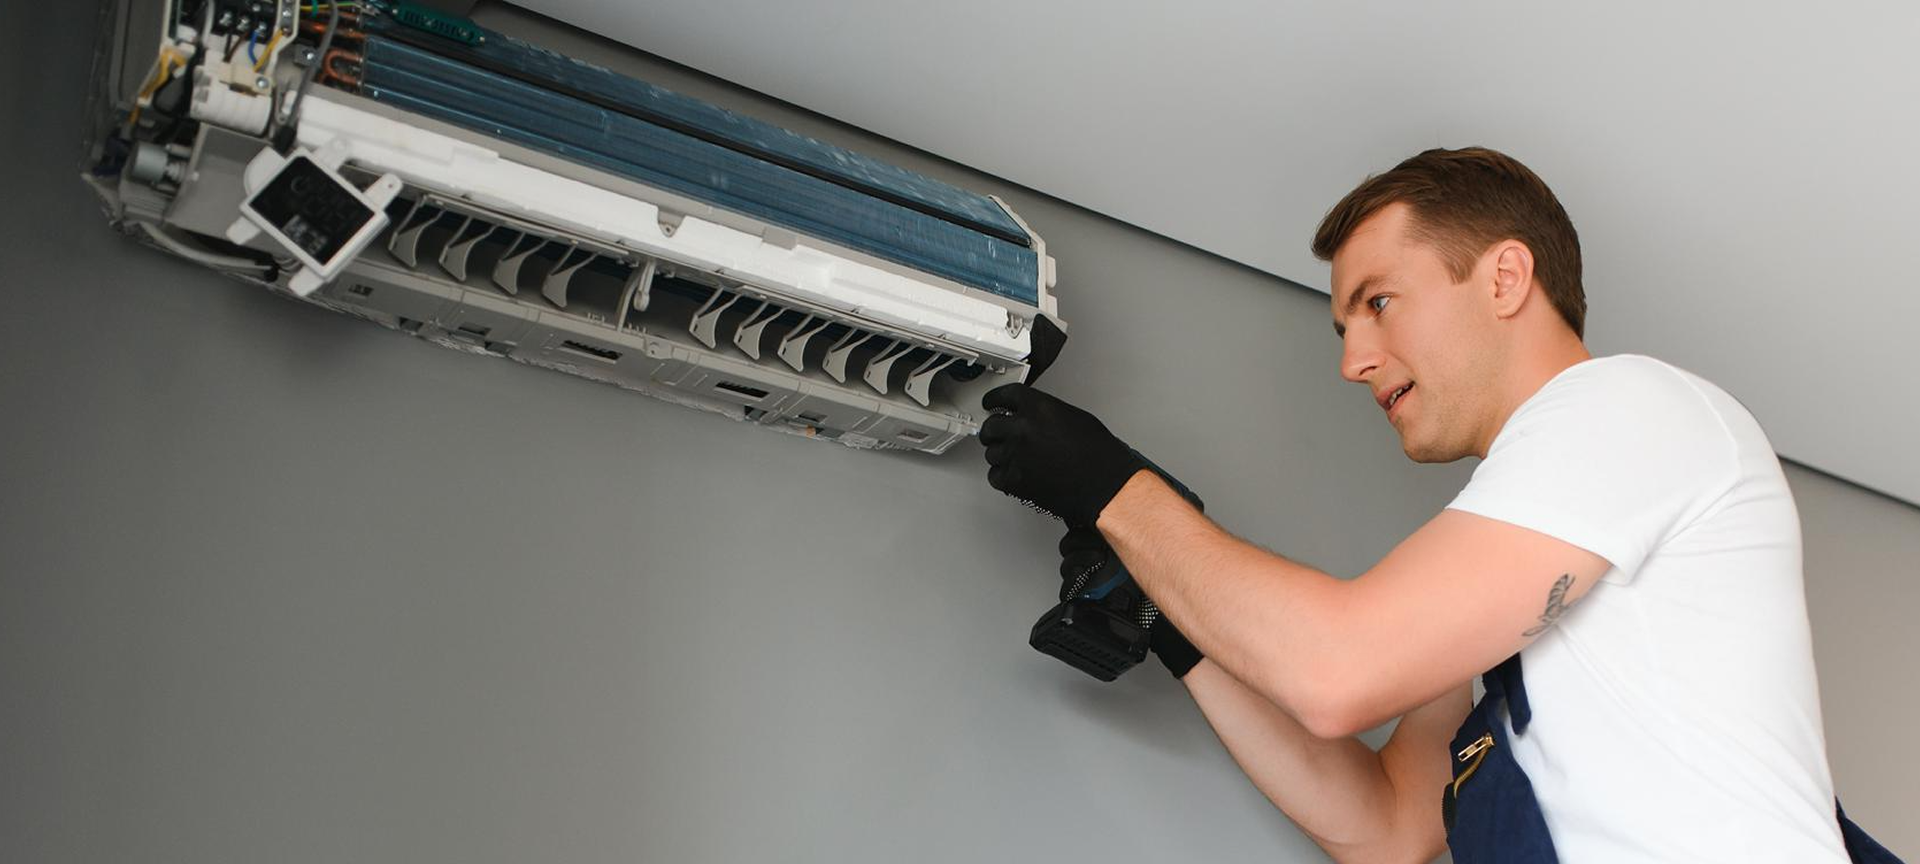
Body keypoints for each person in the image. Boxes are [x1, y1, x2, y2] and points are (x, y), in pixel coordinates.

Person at [978, 147, 1895, 863]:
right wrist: (1168, 612)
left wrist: (1114, 489)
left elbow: (1338, 670)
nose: (1354, 360)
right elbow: (1386, 828)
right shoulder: (1521, 564)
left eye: (1380, 303)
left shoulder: (1632, 407)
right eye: (1346, 329)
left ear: (1503, 279)